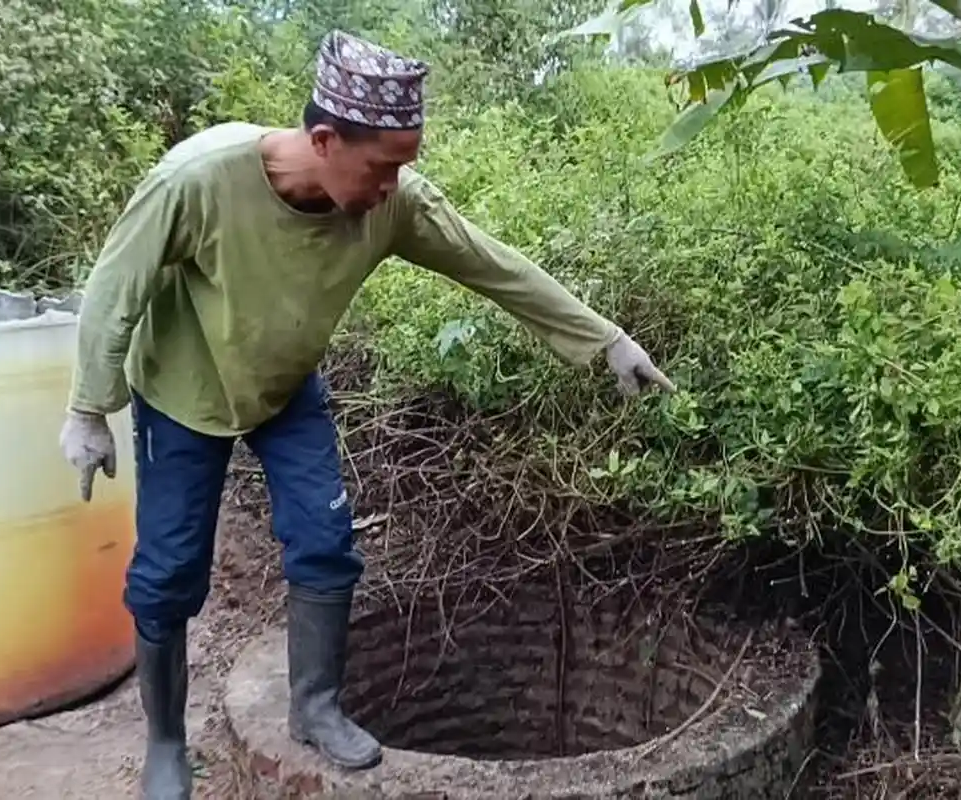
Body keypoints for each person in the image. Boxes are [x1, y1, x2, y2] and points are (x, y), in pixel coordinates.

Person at [57, 29, 673, 800]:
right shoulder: (200, 179)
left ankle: (314, 707)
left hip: (283, 390)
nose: (394, 185)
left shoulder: (394, 203)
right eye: (383, 165)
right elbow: (116, 288)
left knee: (325, 543)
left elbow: (493, 264)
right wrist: (88, 407)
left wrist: (604, 340)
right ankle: (167, 744)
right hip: (184, 394)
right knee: (170, 573)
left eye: (404, 166)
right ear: (324, 138)